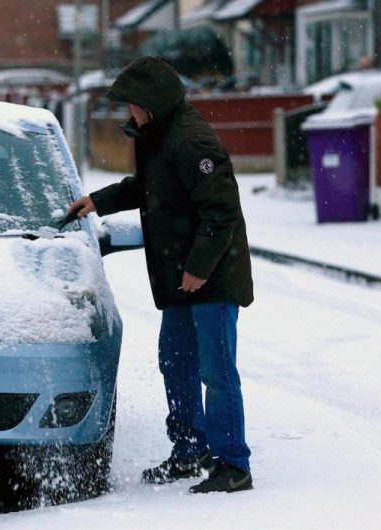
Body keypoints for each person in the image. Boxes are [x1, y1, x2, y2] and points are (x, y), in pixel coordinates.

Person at [67, 56, 254, 494]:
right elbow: (146, 186)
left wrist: (197, 269)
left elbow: (222, 213)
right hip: (181, 278)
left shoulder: (193, 142)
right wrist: (97, 200)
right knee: (175, 362)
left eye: (131, 104)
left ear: (152, 102)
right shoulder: (159, 135)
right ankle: (189, 451)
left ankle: (232, 464)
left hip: (210, 278)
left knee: (217, 370)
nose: (127, 113)